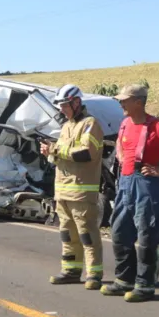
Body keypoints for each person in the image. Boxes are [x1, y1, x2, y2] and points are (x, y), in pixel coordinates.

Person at [100, 83, 159, 302]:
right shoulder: (125, 124)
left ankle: (145, 285)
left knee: (147, 234)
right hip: (125, 183)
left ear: (138, 102)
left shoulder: (157, 126)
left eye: (124, 100)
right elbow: (121, 148)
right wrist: (122, 160)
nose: (121, 103)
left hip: (147, 185)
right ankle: (124, 281)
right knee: (119, 232)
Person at [40, 84, 106, 290]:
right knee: (67, 234)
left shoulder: (90, 124)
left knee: (87, 233)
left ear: (77, 102)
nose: (62, 109)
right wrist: (49, 153)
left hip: (81, 192)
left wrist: (56, 149)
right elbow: (61, 157)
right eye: (60, 106)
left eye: (65, 105)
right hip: (63, 192)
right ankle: (71, 270)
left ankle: (93, 274)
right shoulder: (66, 126)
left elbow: (86, 153)